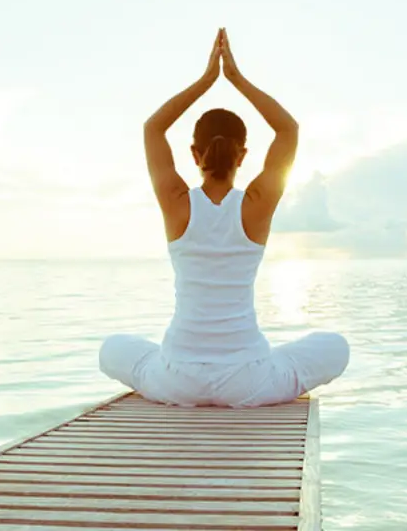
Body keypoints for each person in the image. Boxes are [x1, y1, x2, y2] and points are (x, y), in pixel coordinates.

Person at [99, 27, 350, 407]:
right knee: (335, 346)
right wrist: (235, 78)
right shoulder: (256, 203)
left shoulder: (176, 202)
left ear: (194, 154)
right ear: (242, 155)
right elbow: (288, 129)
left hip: (177, 378)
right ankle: (256, 365)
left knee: (112, 348)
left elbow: (153, 128)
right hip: (247, 380)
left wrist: (207, 80)